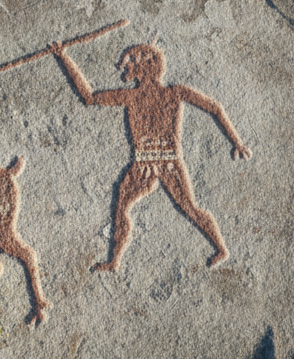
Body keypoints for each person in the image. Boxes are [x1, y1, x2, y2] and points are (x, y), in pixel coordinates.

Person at [51, 40, 251, 271]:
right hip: (150, 162)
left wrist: (237, 141)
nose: (124, 69)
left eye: (129, 64)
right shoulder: (142, 96)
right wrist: (63, 57)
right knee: (125, 208)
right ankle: (115, 260)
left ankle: (221, 248)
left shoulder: (166, 93)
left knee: (187, 208)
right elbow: (90, 97)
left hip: (163, 161)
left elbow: (214, 107)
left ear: (144, 67)